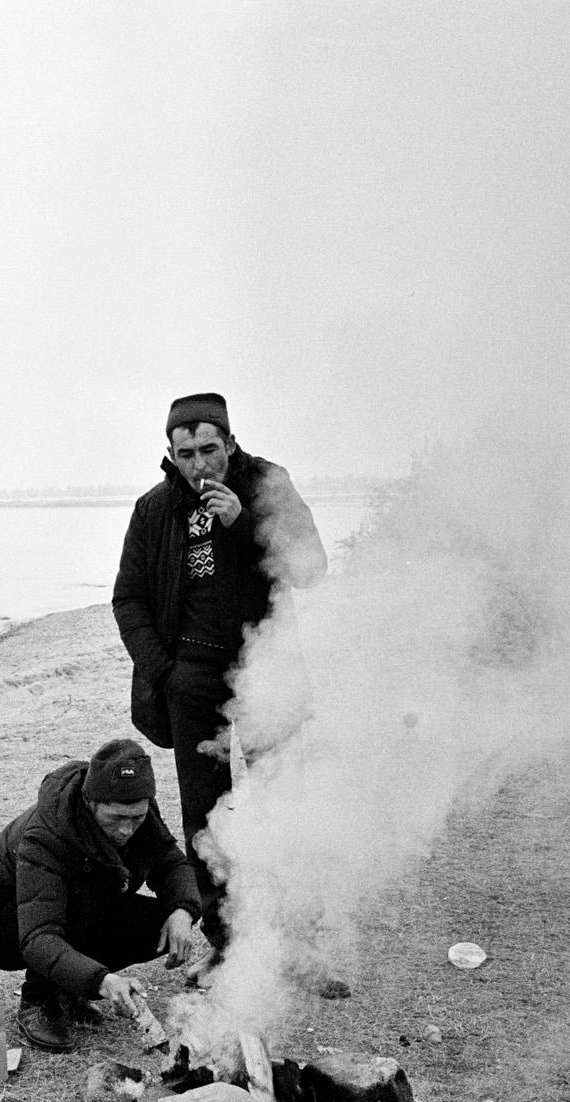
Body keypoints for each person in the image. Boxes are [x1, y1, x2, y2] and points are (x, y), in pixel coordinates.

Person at [111, 392, 328, 970]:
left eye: (211, 449)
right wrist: (165, 672)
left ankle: (295, 939)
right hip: (192, 678)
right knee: (205, 818)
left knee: (283, 802)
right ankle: (228, 946)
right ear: (171, 454)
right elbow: (127, 599)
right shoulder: (155, 510)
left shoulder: (266, 485)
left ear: (231, 444)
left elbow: (311, 569)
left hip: (268, 670)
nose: (200, 464)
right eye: (187, 453)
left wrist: (245, 524)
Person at [0, 739, 202, 1052]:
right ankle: (38, 999)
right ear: (91, 803)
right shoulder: (48, 834)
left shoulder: (137, 810)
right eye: (116, 818)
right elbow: (38, 938)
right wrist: (103, 981)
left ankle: (66, 987)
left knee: (161, 921)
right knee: (81, 898)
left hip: (70, 911)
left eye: (137, 818)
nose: (127, 830)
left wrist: (183, 911)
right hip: (0, 925)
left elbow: (170, 864)